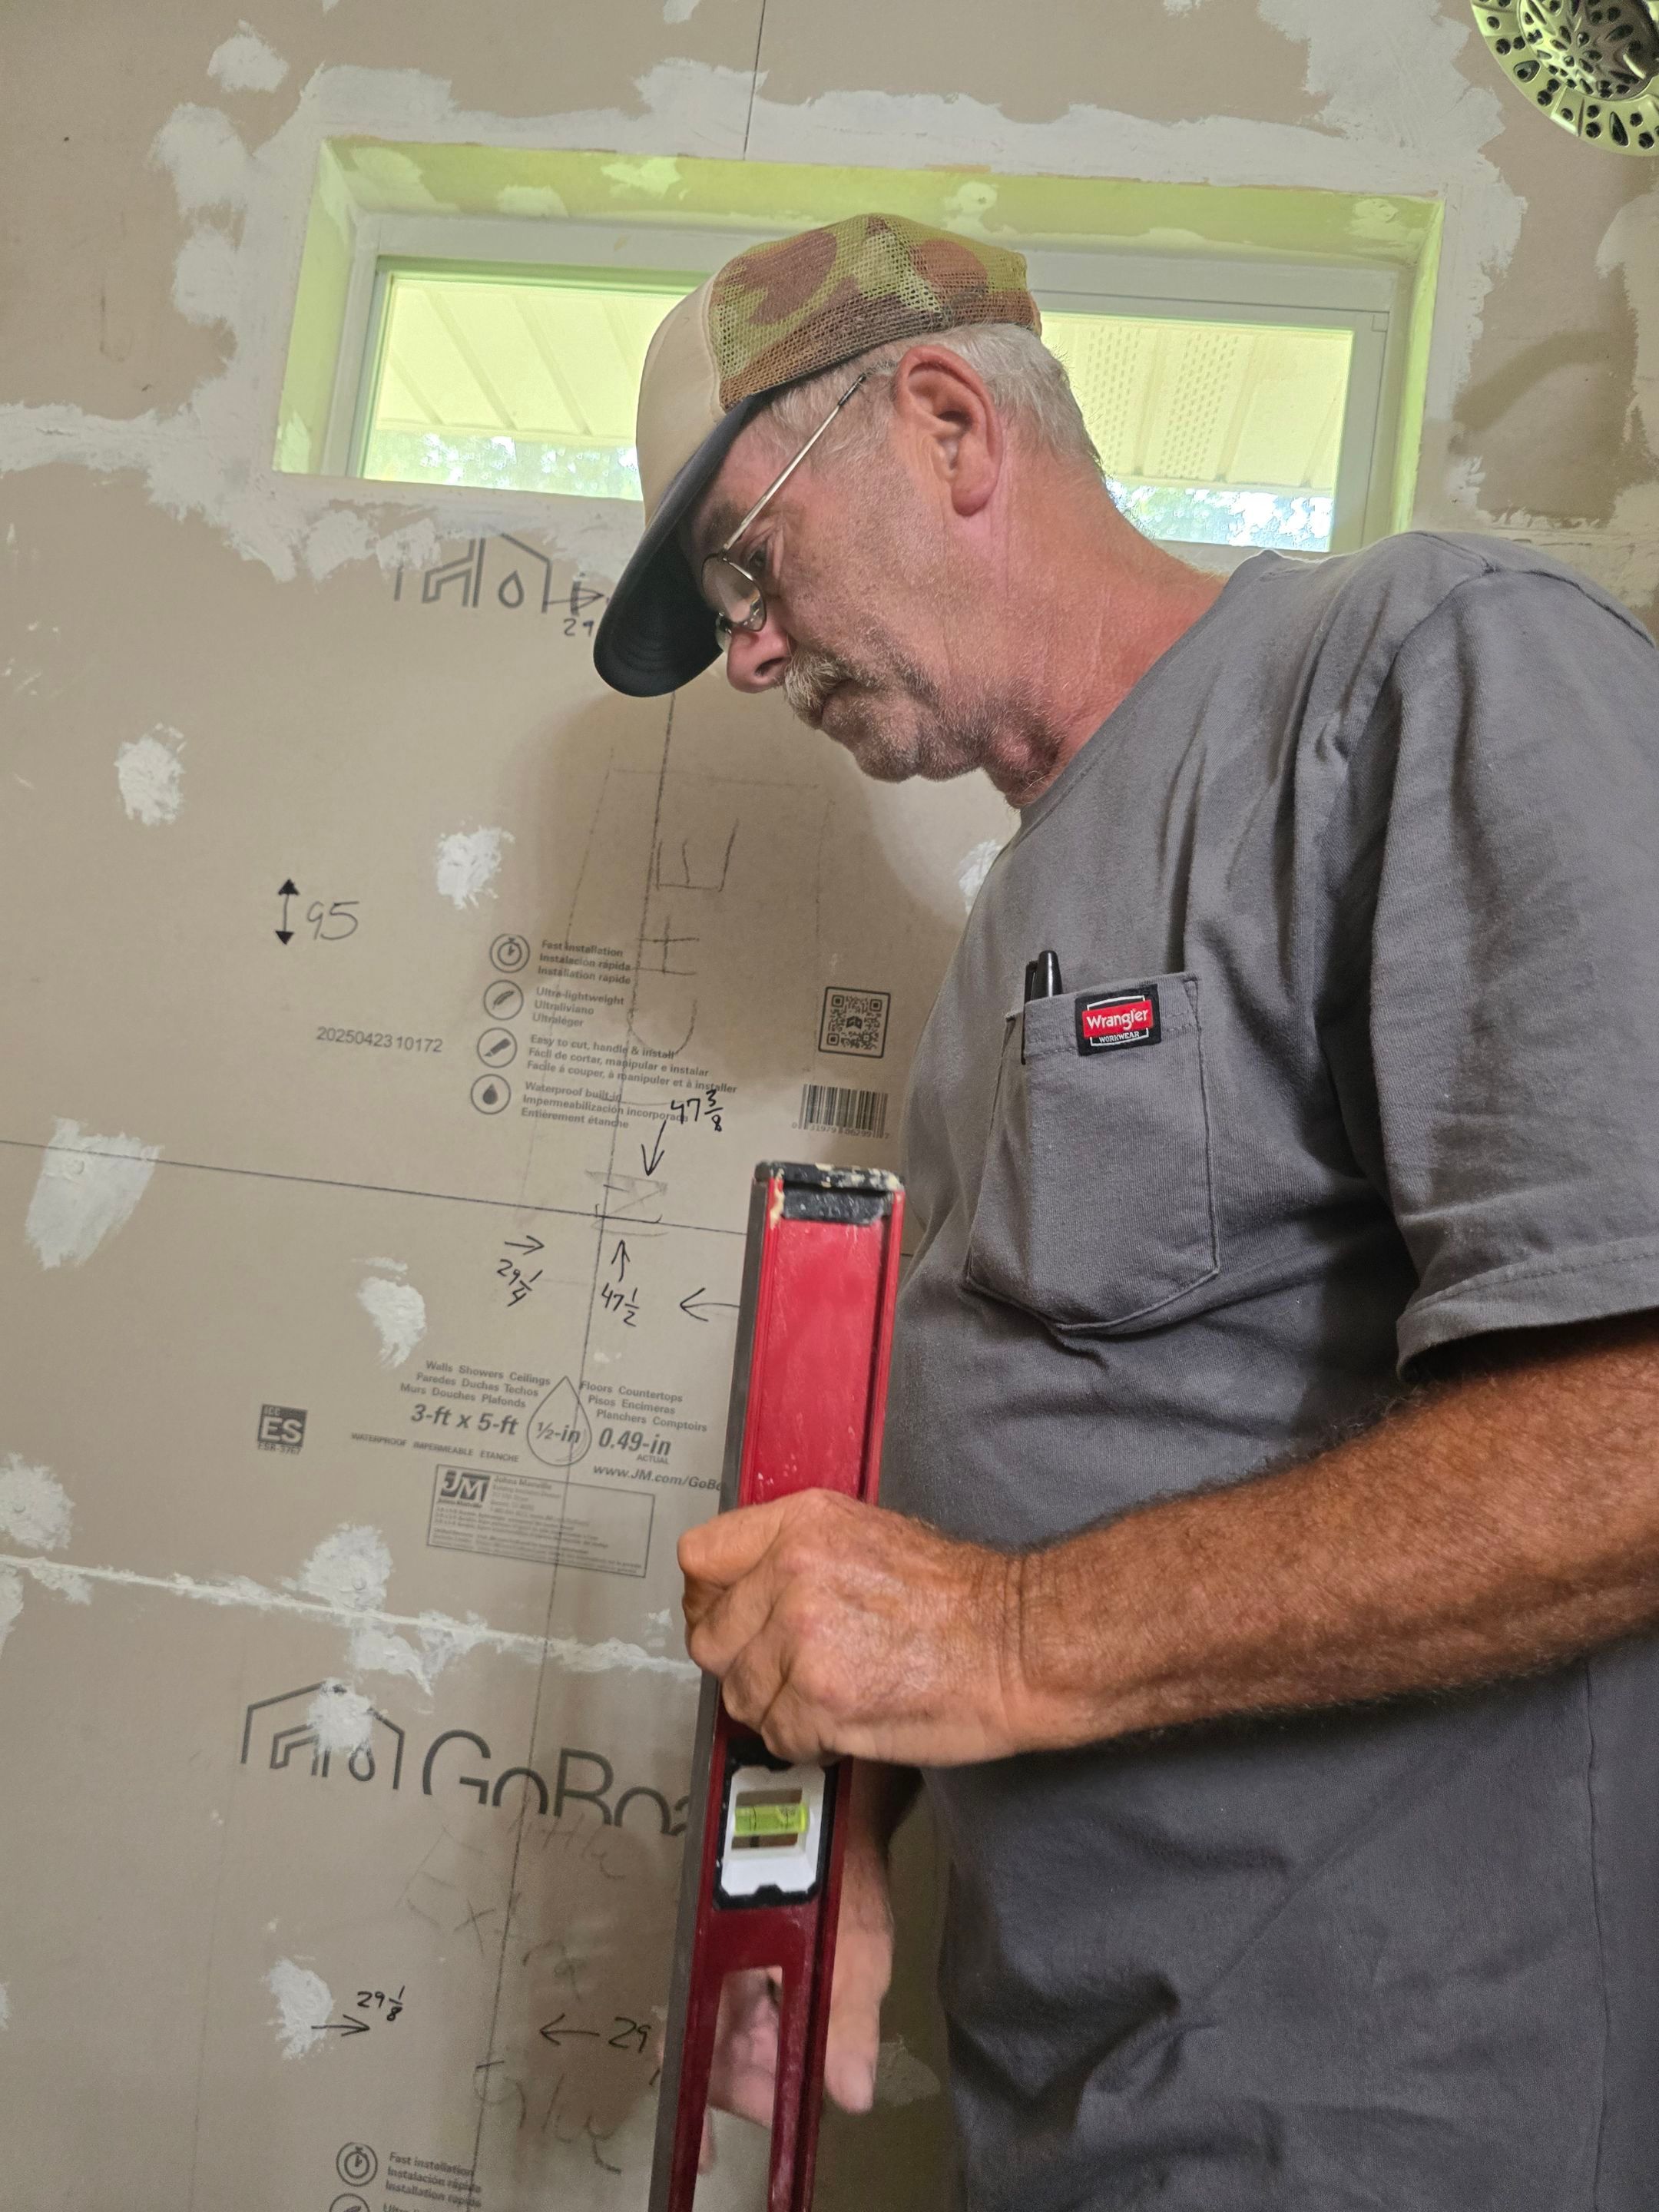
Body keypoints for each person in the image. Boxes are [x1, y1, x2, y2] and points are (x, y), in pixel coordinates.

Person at [592, 214, 1659, 2209]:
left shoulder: (1423, 676)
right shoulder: (1017, 917)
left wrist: (992, 1636)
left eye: (751, 560)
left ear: (944, 425)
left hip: (1389, 2122)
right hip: (1083, 2105)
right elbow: (1018, 1461)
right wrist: (841, 1858)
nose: (746, 651)